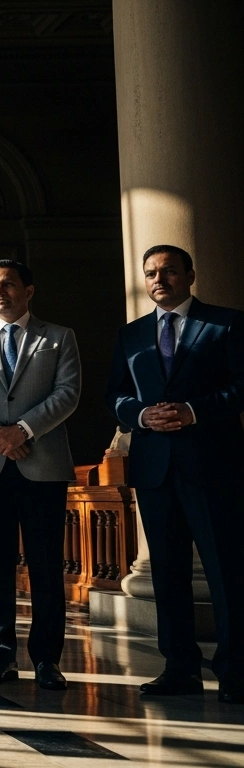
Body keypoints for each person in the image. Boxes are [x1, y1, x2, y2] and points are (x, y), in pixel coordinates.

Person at [105, 244, 244, 702]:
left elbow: (240, 388)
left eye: (167, 271)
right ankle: (179, 668)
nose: (158, 279)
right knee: (167, 572)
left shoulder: (226, 323)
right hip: (154, 469)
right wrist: (142, 417)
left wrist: (192, 411)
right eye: (150, 273)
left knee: (226, 570)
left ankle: (235, 670)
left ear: (190, 274)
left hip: (213, 466)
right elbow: (118, 397)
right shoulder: (132, 335)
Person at [0, 259, 80, 691]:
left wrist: (22, 430)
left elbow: (68, 393)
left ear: (29, 289)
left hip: (41, 463)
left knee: (45, 564)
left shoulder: (58, 337)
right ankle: (0, 654)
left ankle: (47, 659)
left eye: (7, 283)